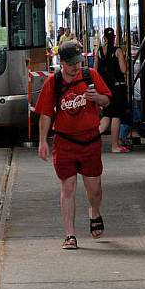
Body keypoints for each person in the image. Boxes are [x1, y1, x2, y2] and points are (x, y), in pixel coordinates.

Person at [35, 40, 111, 250]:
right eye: (71, 63)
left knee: (93, 187)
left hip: (91, 140)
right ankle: (70, 235)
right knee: (68, 187)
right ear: (62, 62)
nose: (76, 66)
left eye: (78, 62)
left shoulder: (90, 76)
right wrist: (42, 141)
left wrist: (98, 98)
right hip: (65, 142)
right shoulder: (54, 82)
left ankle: (94, 212)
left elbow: (107, 101)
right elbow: (46, 114)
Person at [96, 27, 130, 153]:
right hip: (117, 87)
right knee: (116, 116)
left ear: (104, 38)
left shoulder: (98, 51)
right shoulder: (118, 51)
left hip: (104, 88)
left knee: (106, 115)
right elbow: (123, 70)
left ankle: (89, 139)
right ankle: (115, 146)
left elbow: (95, 71)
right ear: (114, 37)